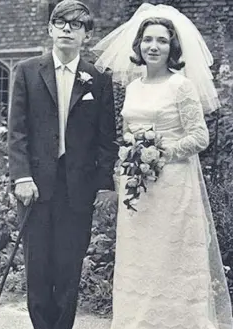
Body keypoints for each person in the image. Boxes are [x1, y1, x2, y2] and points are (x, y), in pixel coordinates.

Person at [92, 3, 233, 329]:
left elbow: (200, 136)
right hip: (137, 189)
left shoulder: (180, 86)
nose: (153, 46)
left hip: (173, 185)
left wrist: (161, 152)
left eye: (162, 41)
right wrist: (125, 169)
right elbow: (127, 135)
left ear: (172, 48)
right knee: (140, 258)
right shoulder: (133, 88)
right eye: (148, 40)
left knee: (170, 258)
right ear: (139, 45)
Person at [8, 1, 118, 329]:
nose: (67, 29)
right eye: (61, 22)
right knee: (38, 268)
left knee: (69, 269)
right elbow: (17, 132)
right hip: (35, 187)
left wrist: (103, 183)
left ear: (86, 34)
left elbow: (106, 139)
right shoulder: (27, 71)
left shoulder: (97, 79)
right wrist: (22, 177)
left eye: (76, 24)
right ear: (50, 30)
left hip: (77, 191)